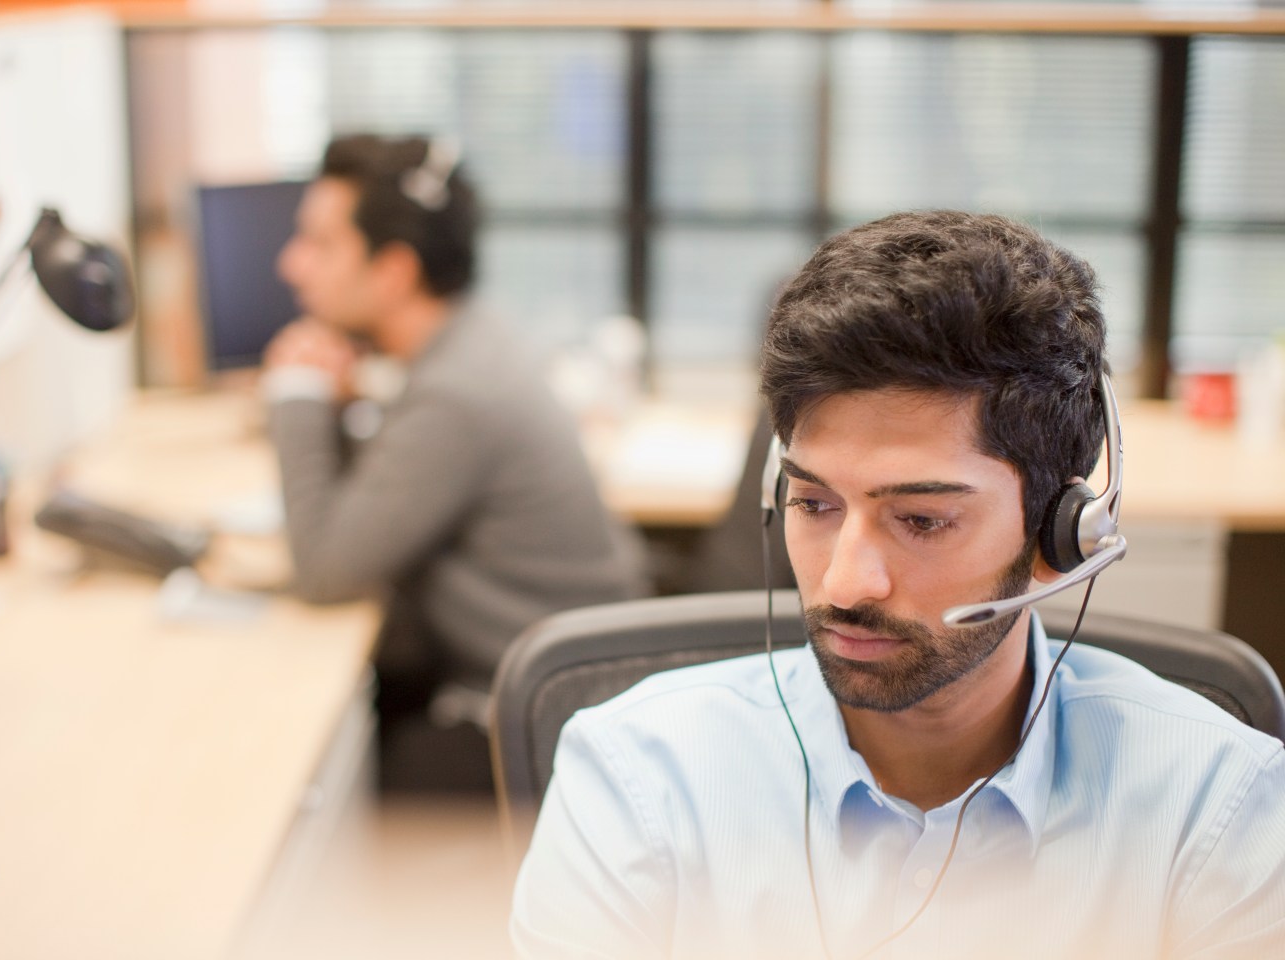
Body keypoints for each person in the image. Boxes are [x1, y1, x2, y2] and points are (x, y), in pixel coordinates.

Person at [510, 211, 1285, 958]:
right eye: (814, 504)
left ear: (1062, 535)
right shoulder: (637, 779)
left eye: (920, 520)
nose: (845, 581)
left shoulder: (1215, 807)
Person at [263, 134, 647, 791]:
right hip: (570, 680)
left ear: (393, 272)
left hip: (540, 720)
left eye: (320, 245)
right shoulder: (471, 338)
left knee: (302, 772)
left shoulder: (454, 396)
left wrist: (296, 392)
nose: (290, 266)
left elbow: (325, 569)